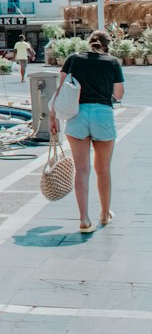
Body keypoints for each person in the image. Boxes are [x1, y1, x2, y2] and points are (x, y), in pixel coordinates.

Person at [50, 30, 124, 232]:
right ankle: (104, 214)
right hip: (102, 115)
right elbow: (118, 94)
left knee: (82, 170)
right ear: (108, 45)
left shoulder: (73, 59)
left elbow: (61, 89)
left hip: (77, 115)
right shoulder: (113, 62)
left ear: (88, 42)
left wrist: (52, 116)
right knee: (103, 169)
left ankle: (84, 219)